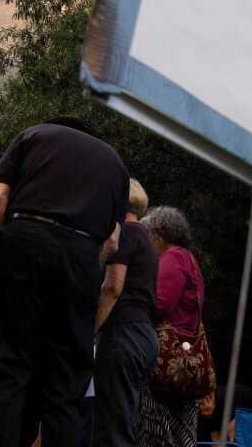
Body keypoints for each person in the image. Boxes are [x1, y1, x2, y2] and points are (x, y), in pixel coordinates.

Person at [0, 118, 129, 447]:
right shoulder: (115, 163)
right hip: (82, 254)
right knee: (67, 375)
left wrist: (6, 243)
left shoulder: (33, 135)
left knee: (6, 360)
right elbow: (113, 242)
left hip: (25, 236)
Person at [92, 178, 159, 447]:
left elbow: (112, 288)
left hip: (123, 334)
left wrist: (89, 330)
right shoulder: (146, 239)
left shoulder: (127, 234)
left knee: (112, 430)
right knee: (123, 420)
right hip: (144, 336)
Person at [136, 206, 206, 447]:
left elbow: (160, 303)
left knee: (154, 429)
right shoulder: (189, 259)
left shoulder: (173, 257)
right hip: (184, 358)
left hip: (164, 358)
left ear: (158, 234)